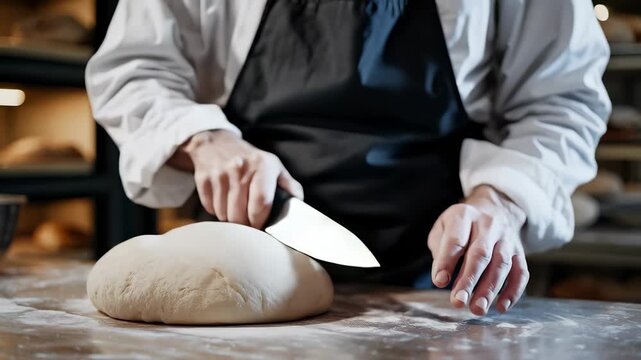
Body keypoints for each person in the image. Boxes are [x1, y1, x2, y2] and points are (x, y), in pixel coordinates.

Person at [86, 0, 611, 316]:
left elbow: (563, 99)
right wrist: (205, 142)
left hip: (443, 273)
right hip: (242, 251)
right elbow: (133, 70)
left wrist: (499, 199)